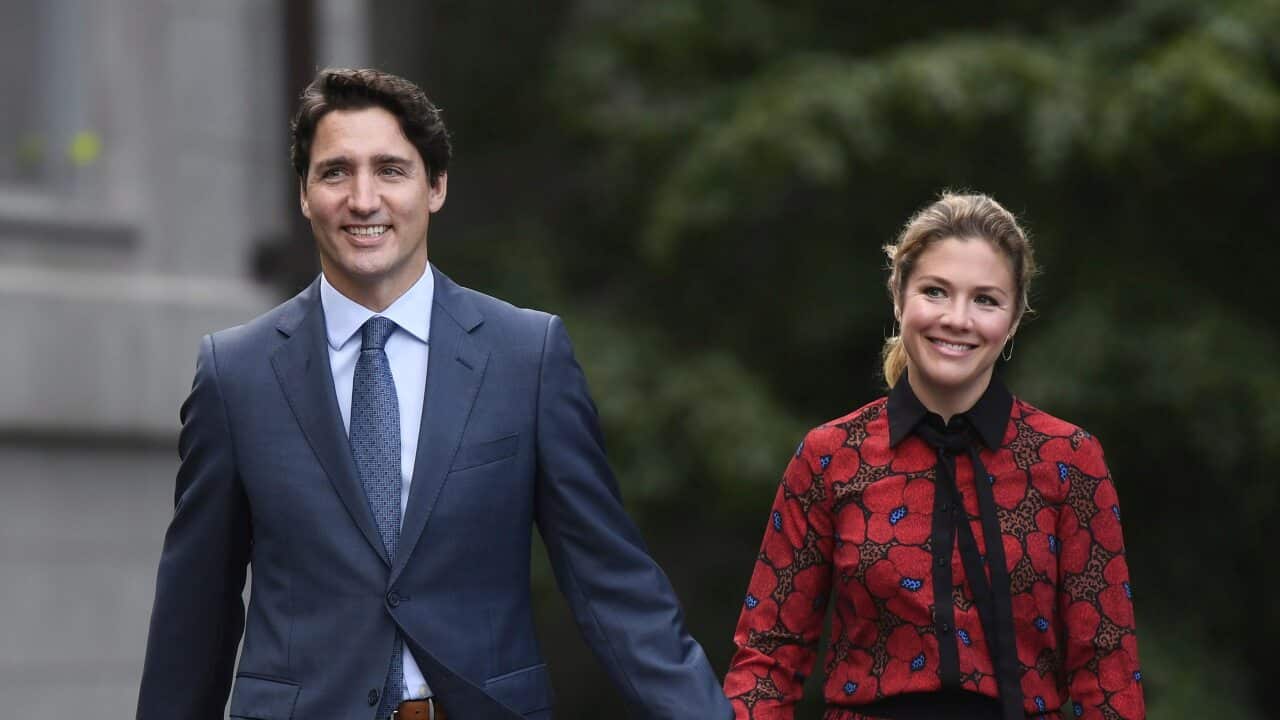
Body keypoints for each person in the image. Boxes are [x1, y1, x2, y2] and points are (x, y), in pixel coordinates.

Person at [137, 68, 731, 720]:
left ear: (436, 186)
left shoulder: (526, 358)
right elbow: (196, 614)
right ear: (305, 195)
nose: (363, 199)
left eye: (391, 170)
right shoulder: (236, 374)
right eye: (335, 172)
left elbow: (611, 584)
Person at [723, 194, 1144, 720]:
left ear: (1013, 320)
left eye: (986, 300)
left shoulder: (1069, 459)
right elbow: (769, 656)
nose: (958, 319)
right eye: (936, 291)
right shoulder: (830, 457)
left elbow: (1107, 669)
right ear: (899, 297)